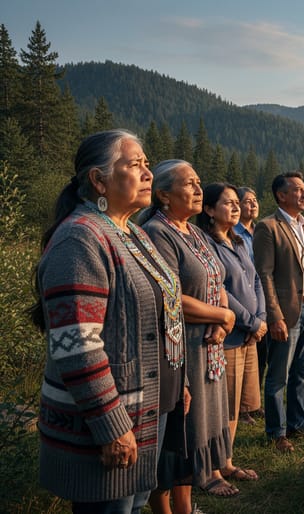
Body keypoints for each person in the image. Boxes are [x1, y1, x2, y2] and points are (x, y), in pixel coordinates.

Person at [31, 130, 187, 513]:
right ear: (99, 180)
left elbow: (163, 310)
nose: (148, 173)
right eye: (135, 165)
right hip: (107, 425)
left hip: (147, 409)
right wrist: (111, 426)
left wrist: (175, 377)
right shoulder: (80, 240)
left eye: (148, 164)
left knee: (133, 507)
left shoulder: (132, 232)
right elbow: (78, 348)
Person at [141, 160, 237, 511]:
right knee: (177, 437)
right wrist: (223, 315)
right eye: (190, 184)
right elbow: (171, 296)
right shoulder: (157, 232)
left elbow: (217, 277)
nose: (199, 189)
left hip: (208, 348)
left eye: (199, 183)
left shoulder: (193, 231)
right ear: (164, 194)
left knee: (197, 432)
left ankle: (187, 506)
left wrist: (224, 319)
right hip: (180, 352)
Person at [254, 171, 304, 453]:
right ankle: (276, 432)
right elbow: (265, 274)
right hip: (286, 312)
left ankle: (299, 424)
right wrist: (274, 316)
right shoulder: (268, 227)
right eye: (297, 190)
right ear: (281, 195)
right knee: (278, 375)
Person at [198, 183, 266, 481]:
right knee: (221, 404)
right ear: (210, 210)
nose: (236, 207)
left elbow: (257, 282)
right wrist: (251, 322)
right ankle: (212, 468)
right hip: (228, 335)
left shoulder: (238, 240)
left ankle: (227, 460)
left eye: (238, 202)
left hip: (249, 334)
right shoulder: (206, 243)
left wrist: (261, 318)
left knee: (237, 404)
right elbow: (220, 289)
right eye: (228, 203)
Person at [234, 186, 265, 424]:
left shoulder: (257, 231)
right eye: (247, 201)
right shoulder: (233, 233)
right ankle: (242, 409)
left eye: (255, 201)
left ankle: (253, 402)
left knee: (259, 356)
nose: (252, 205)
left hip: (260, 296)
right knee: (243, 353)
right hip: (242, 298)